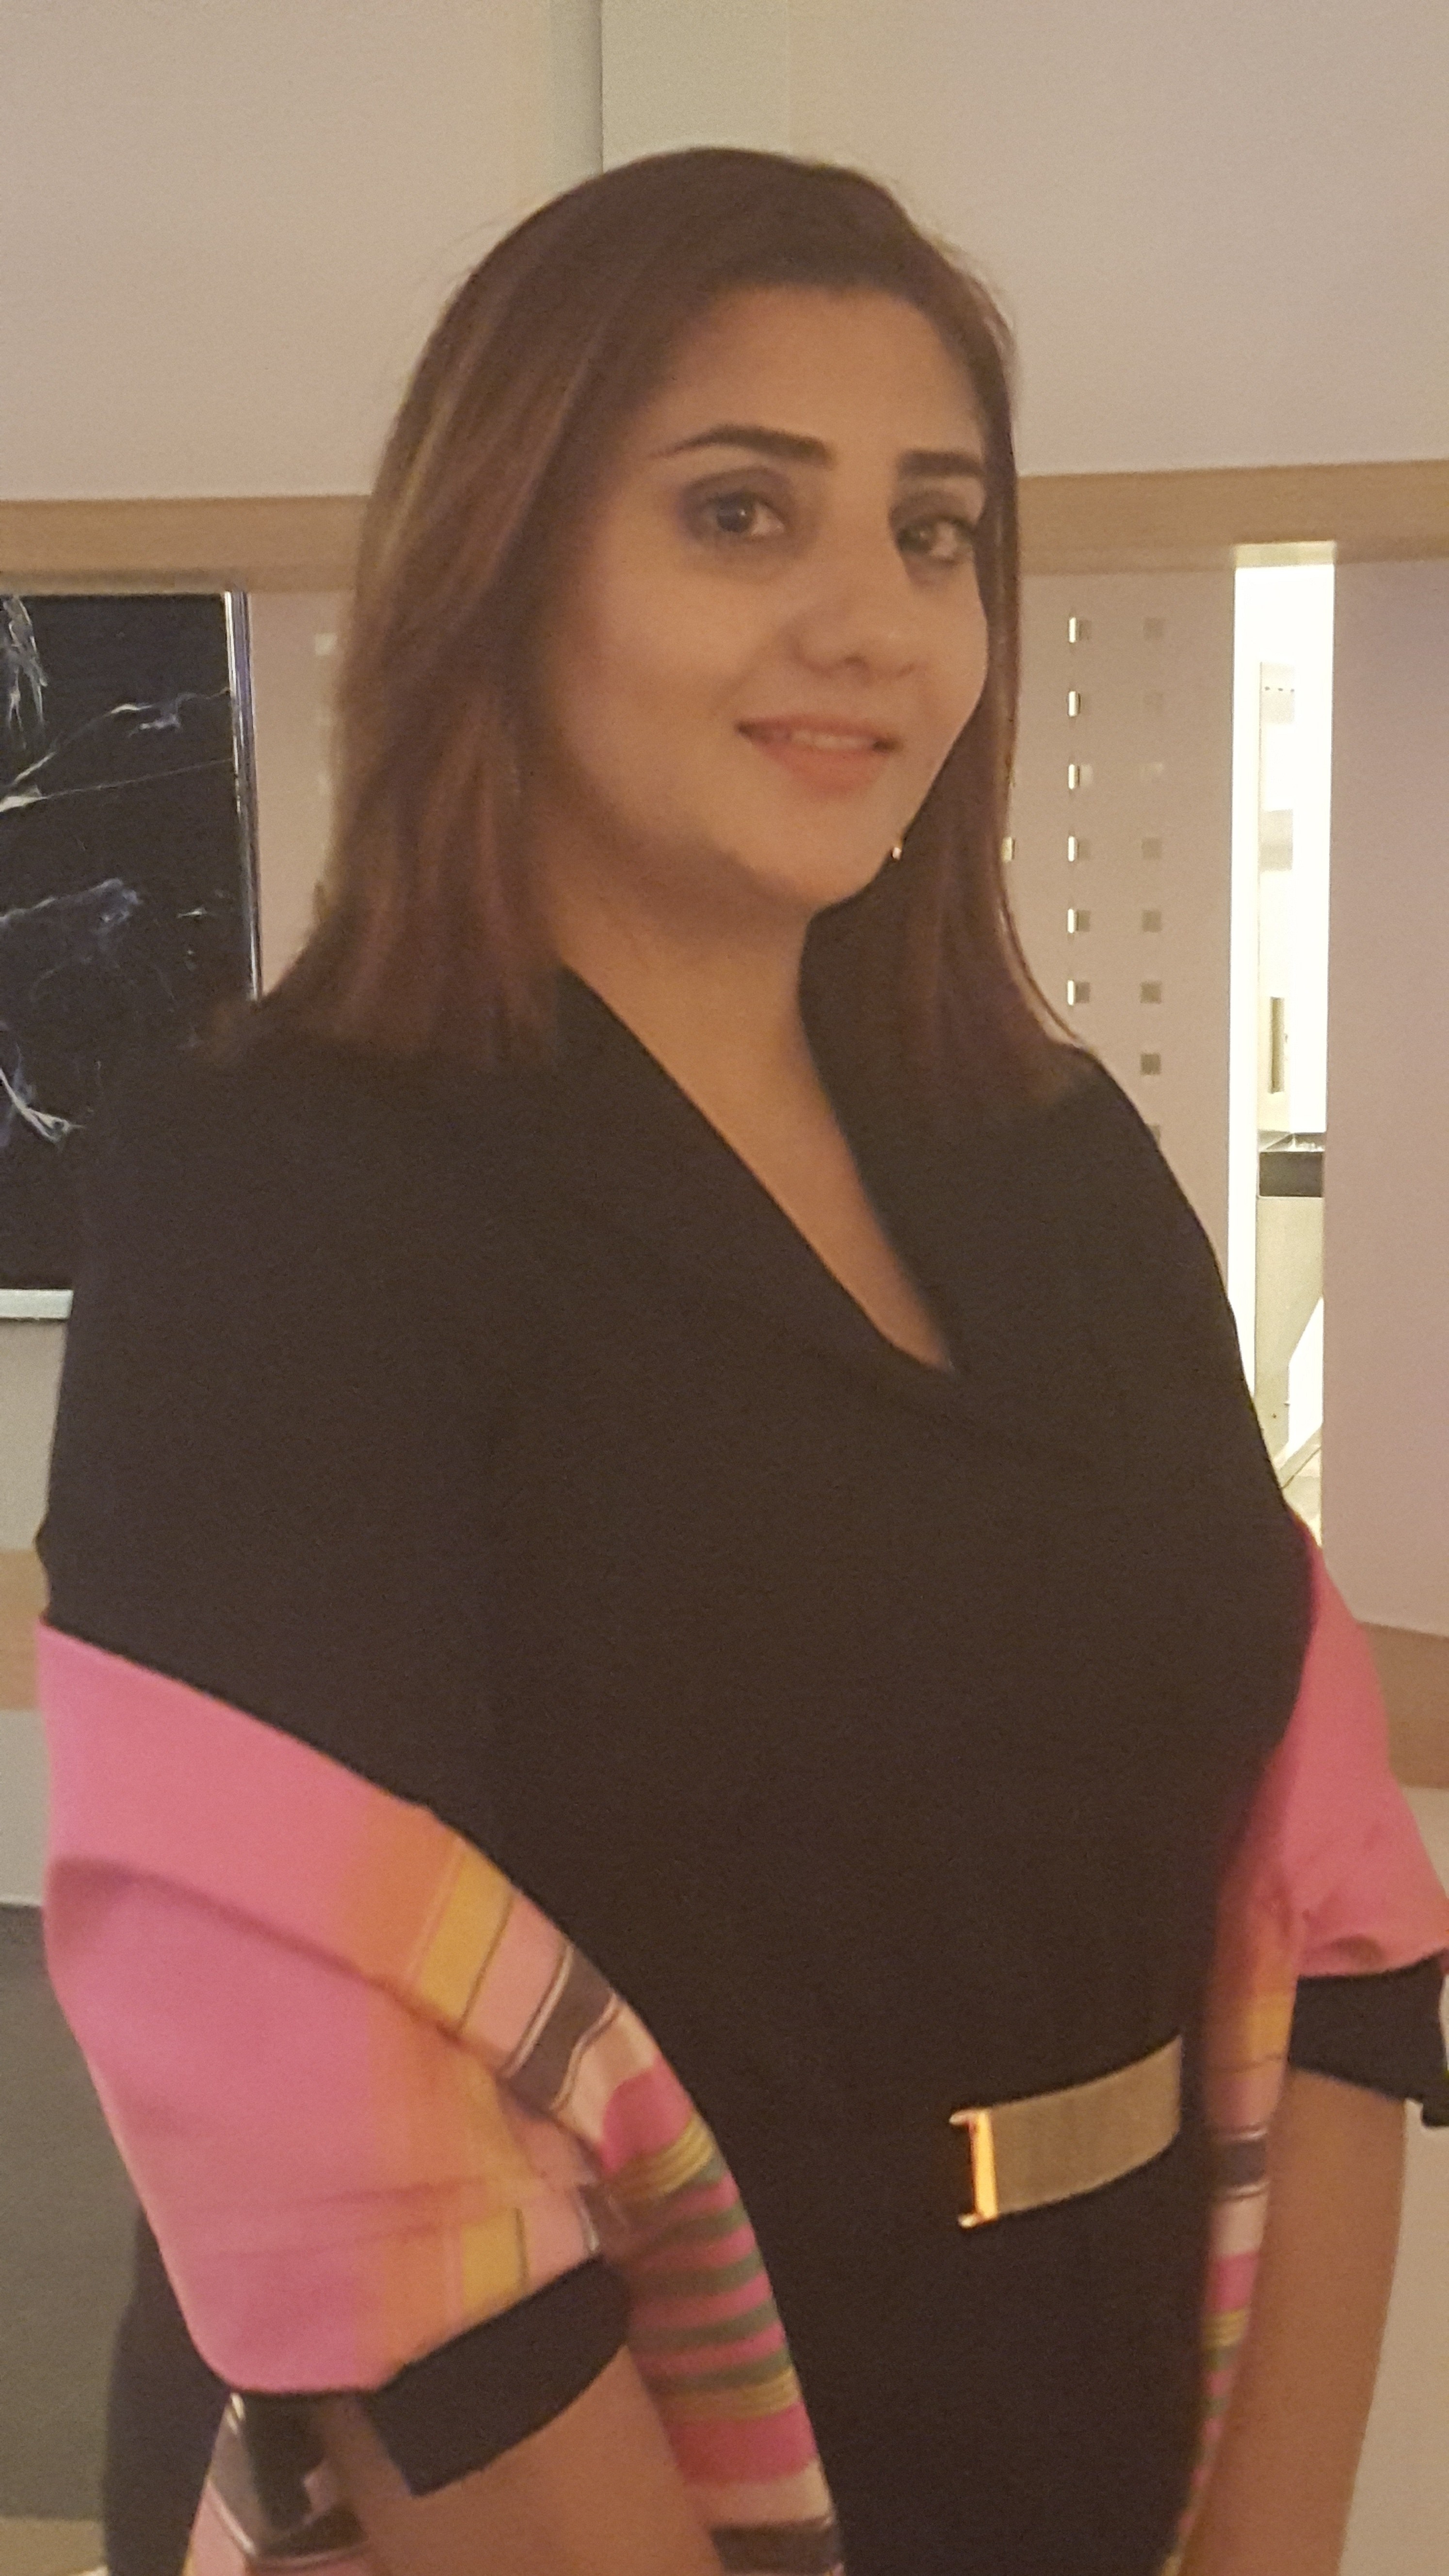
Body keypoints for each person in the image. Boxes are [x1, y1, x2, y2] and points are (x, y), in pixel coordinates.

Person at [37, 148, 1449, 2576]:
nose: (871, 621)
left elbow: (1327, 1888)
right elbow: (336, 2126)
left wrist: (1265, 2546)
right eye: (737, 513)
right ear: (504, 570)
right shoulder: (277, 1186)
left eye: (935, 531)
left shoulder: (1048, 1151)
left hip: (1094, 2406)